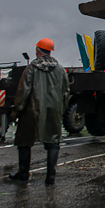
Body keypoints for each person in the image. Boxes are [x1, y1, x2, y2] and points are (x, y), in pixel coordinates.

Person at [9, 38, 70, 184]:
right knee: (53, 142)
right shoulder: (60, 69)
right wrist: (62, 109)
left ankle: (23, 174)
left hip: (33, 110)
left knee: (24, 141)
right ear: (50, 51)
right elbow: (66, 92)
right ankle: (50, 177)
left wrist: (16, 110)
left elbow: (23, 91)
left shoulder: (32, 68)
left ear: (38, 50)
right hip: (53, 110)